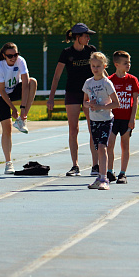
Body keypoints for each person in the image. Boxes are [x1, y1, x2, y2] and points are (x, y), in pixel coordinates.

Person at [47, 23, 99, 177]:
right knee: (73, 129)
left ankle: (95, 165)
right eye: (86, 35)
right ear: (78, 37)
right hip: (72, 93)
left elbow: (101, 69)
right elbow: (57, 76)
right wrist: (51, 98)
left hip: (90, 93)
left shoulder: (92, 50)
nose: (88, 38)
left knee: (92, 128)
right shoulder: (66, 53)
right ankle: (75, 165)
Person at [0, 42, 37, 174]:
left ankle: (22, 120)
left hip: (14, 90)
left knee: (32, 82)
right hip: (1, 95)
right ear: (4, 56)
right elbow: (1, 91)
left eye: (15, 55)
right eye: (10, 55)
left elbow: (25, 84)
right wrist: (13, 108)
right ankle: (8, 163)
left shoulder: (20, 61)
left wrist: (22, 109)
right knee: (7, 128)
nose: (13, 58)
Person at [83, 52, 119, 190]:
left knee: (103, 147)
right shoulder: (88, 83)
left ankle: (104, 178)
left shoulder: (106, 83)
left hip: (105, 119)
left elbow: (116, 103)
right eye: (93, 66)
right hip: (94, 120)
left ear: (104, 66)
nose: (95, 68)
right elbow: (84, 102)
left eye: (98, 66)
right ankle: (99, 176)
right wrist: (88, 104)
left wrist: (101, 107)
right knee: (98, 149)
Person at [107, 51, 139, 184]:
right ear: (116, 64)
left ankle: (123, 173)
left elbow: (136, 100)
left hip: (126, 118)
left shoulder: (133, 80)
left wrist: (133, 118)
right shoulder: (110, 81)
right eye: (125, 63)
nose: (129, 65)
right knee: (110, 145)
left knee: (125, 145)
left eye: (129, 62)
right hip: (112, 118)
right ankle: (110, 171)